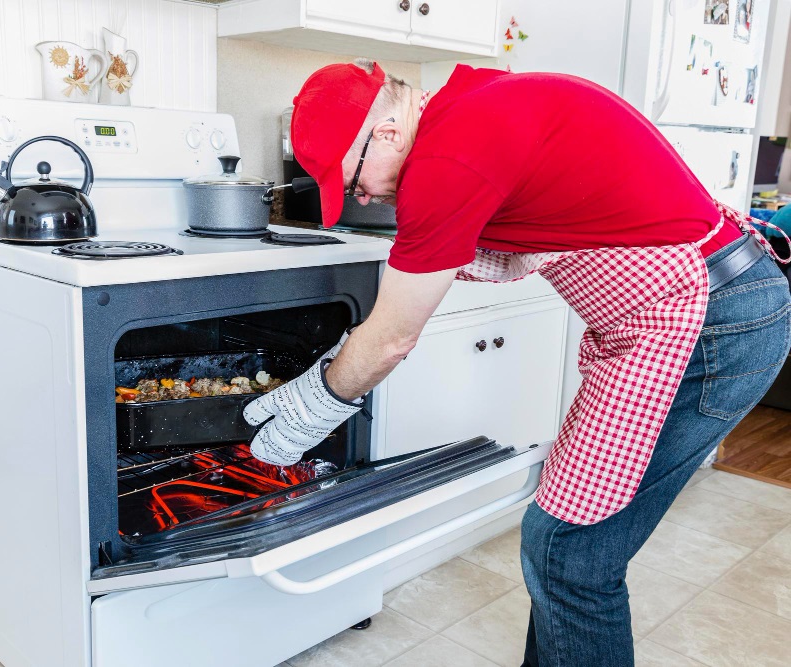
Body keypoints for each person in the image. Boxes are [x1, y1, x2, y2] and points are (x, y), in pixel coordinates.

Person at [242, 59, 791, 666]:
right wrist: (348, 356)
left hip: (706, 325)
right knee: (564, 548)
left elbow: (392, 339)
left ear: (389, 132)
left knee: (570, 555)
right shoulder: (468, 106)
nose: (361, 197)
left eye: (352, 181)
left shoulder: (446, 161)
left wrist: (312, 404)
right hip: (698, 312)